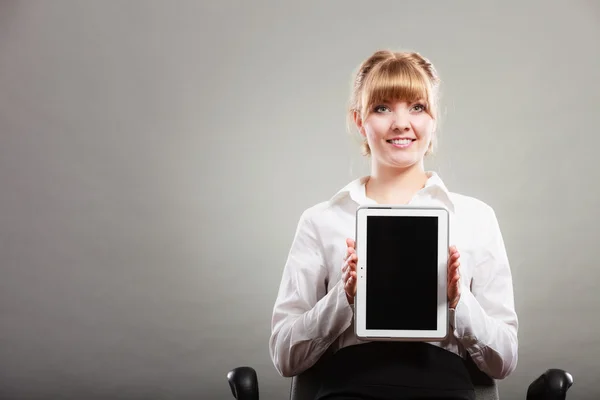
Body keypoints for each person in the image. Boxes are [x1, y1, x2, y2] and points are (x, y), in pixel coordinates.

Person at [268, 49, 519, 400]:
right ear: (359, 121)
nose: (401, 123)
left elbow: (504, 361)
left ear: (433, 120)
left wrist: (459, 302)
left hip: (444, 387)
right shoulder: (321, 220)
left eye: (417, 107)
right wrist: (344, 297)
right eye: (382, 107)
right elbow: (284, 357)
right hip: (348, 389)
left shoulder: (476, 218)